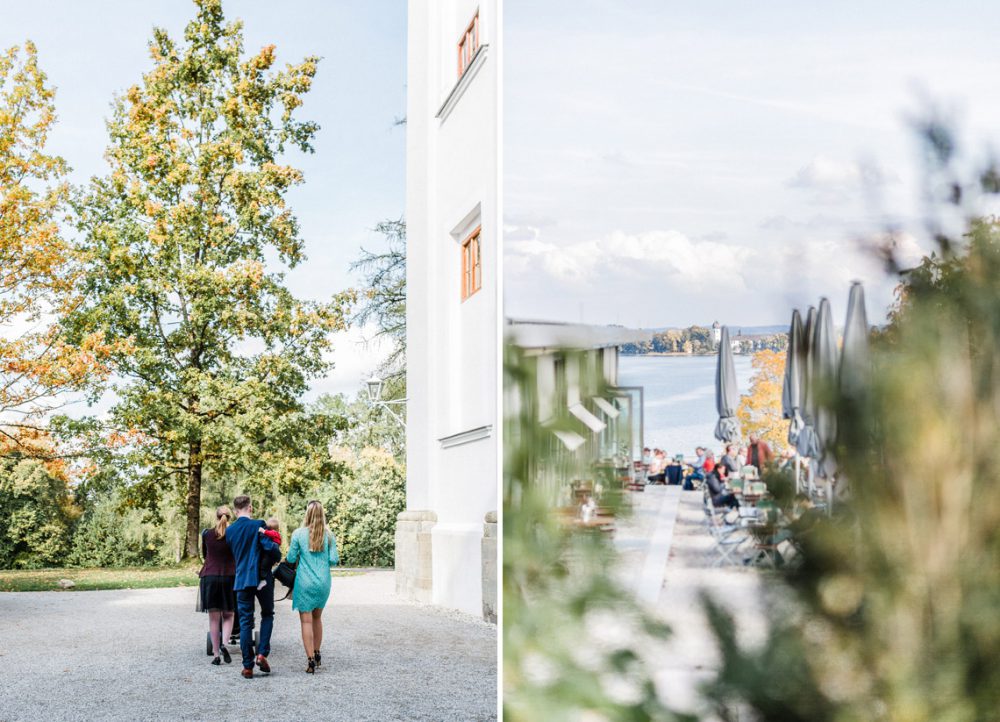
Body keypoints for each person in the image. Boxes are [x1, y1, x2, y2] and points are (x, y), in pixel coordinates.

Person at [226, 494, 280, 679]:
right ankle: (262, 654)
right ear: (250, 508)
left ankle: (247, 666)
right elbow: (271, 549)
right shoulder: (258, 525)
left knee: (245, 622)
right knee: (267, 614)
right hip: (261, 578)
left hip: (241, 580)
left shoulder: (230, 531)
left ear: (235, 511)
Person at [286, 500, 340, 674]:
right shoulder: (329, 536)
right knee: (317, 618)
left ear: (307, 514)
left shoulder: (298, 534)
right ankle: (317, 653)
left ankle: (309, 660)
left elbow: (291, 558)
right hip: (323, 582)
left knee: (306, 621)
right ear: (322, 514)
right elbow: (333, 560)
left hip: (304, 582)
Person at [197, 505, 237, 666]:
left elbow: (205, 555)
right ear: (229, 517)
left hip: (210, 577)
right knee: (229, 614)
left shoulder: (206, 534)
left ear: (216, 517)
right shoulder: (234, 534)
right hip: (230, 576)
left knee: (214, 619)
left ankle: (215, 655)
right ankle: (224, 644)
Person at [257, 517, 283, 590]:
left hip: (272, 552)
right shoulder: (277, 533)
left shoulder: (274, 533)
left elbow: (269, 533)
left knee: (264, 566)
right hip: (273, 552)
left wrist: (263, 530)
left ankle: (263, 580)